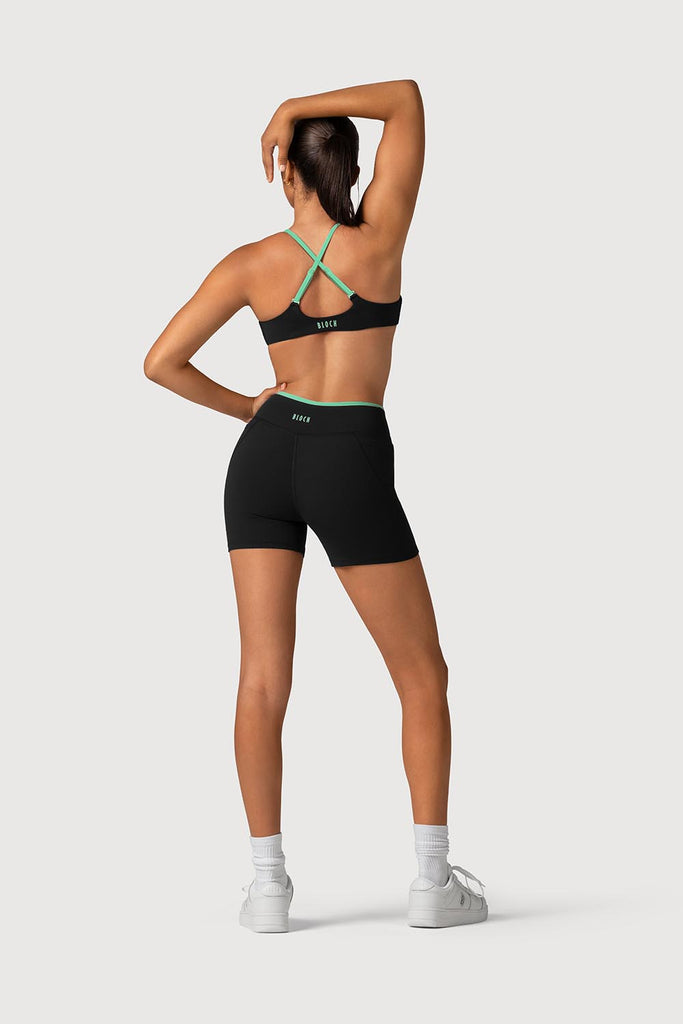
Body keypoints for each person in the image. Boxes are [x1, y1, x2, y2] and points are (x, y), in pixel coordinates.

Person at [143, 79, 487, 932]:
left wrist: (248, 408)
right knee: (421, 675)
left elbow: (160, 362)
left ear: (286, 173)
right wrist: (293, 106)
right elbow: (405, 99)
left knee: (262, 677)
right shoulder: (380, 239)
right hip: (348, 454)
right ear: (353, 170)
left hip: (262, 461)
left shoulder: (251, 263)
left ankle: (267, 888)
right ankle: (431, 883)